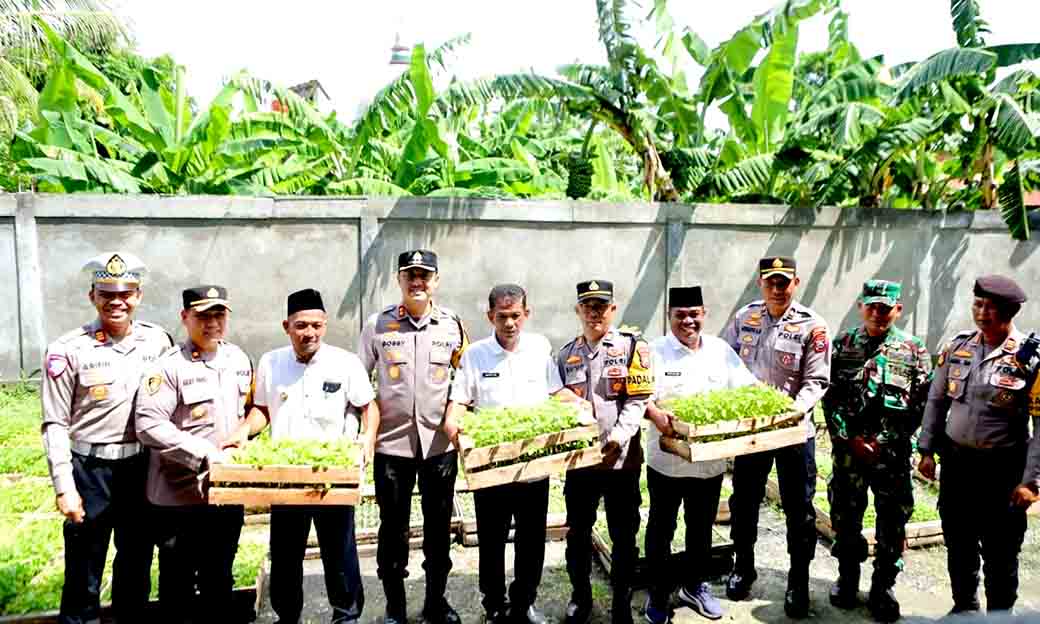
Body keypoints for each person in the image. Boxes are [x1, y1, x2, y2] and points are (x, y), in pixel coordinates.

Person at [226, 288, 378, 624]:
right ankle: (287, 616)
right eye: (301, 326)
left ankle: (347, 615)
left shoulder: (345, 362)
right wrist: (243, 430)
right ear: (286, 326)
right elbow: (262, 410)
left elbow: (368, 406)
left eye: (316, 325)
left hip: (332, 475)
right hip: (286, 476)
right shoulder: (271, 362)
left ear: (324, 325)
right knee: (285, 553)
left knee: (339, 550)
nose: (309, 333)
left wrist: (367, 438)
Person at [40, 252, 173, 624]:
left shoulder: (157, 342)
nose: (117, 301)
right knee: (84, 570)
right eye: (107, 293)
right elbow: (54, 423)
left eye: (126, 292)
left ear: (139, 296)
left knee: (136, 564)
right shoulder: (68, 350)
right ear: (92, 296)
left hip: (140, 467)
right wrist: (64, 486)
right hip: (90, 470)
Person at [448, 284, 587, 624]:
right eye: (501, 317)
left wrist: (581, 406)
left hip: (534, 466)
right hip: (492, 466)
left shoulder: (539, 348)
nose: (509, 323)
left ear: (527, 314)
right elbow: (460, 402)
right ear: (490, 317)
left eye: (515, 316)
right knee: (492, 540)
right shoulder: (475, 355)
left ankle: (524, 601)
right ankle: (494, 605)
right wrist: (453, 425)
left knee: (531, 538)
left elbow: (556, 392)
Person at [358, 250, 469, 624]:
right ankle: (395, 606)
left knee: (439, 529)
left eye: (425, 275)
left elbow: (464, 382)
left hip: (438, 445)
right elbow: (358, 384)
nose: (417, 282)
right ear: (399, 280)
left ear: (436, 280)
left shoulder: (452, 325)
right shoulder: (378, 325)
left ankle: (436, 601)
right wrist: (364, 434)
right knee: (392, 530)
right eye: (411, 275)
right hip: (392, 445)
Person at [134, 285, 253, 622]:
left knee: (220, 578)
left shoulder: (239, 360)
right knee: (177, 584)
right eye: (202, 315)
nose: (212, 322)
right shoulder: (168, 367)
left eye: (219, 314)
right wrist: (202, 452)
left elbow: (244, 416)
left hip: (225, 495)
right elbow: (148, 424)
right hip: (178, 497)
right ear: (185, 318)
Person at [720, 256, 830, 618]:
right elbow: (726, 363)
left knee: (799, 511)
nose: (777, 289)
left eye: (784, 282)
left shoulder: (812, 326)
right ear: (761, 283)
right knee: (745, 500)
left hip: (795, 432)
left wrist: (790, 412)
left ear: (796, 283)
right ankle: (743, 566)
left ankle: (798, 581)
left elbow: (817, 381)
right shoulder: (744, 318)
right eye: (771, 282)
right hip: (752, 433)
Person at [918, 275, 1033, 614]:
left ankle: (1000, 616)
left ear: (1010, 311)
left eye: (992, 307)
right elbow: (936, 401)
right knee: (958, 540)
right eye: (978, 304)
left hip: (1003, 469)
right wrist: (925, 449)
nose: (983, 313)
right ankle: (964, 608)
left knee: (1001, 548)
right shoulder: (958, 347)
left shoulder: (1029, 358)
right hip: (957, 463)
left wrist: (1032, 481)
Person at [643, 286, 758, 624]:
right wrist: (654, 414)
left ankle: (695, 585)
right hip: (666, 461)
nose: (688, 321)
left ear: (704, 314)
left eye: (694, 314)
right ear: (670, 316)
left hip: (709, 463)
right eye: (680, 315)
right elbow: (639, 397)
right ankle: (658, 592)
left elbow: (747, 387)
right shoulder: (653, 351)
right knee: (660, 529)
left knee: (700, 528)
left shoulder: (721, 351)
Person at [821, 280, 932, 622]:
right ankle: (847, 579)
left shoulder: (914, 350)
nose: (877, 313)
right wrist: (849, 438)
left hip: (892, 456)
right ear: (860, 306)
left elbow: (922, 406)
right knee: (845, 517)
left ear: (898, 310)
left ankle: (883, 586)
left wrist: (882, 441)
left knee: (892, 523)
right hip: (849, 454)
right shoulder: (842, 345)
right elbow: (830, 397)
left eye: (885, 308)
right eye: (871, 306)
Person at [556, 279, 653, 624]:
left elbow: (638, 400)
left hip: (622, 463)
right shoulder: (565, 354)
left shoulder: (632, 348)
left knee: (624, 536)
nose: (594, 312)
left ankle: (622, 603)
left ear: (613, 309)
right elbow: (560, 404)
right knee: (577, 533)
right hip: (580, 466)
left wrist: (617, 439)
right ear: (578, 310)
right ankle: (581, 597)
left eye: (601, 306)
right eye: (588, 306)